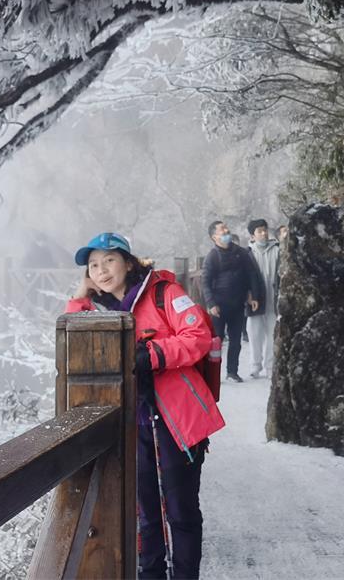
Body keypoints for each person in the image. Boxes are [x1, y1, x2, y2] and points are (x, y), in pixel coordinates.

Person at [66, 232, 225, 579]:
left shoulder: (163, 292)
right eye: (93, 265)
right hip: (132, 423)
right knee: (145, 513)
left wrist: (152, 354)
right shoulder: (99, 311)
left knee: (180, 511)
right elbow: (72, 340)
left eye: (109, 260)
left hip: (177, 420)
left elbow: (197, 336)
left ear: (128, 261)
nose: (102, 270)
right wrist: (79, 299)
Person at [202, 220, 263, 383]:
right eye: (222, 230)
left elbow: (251, 274)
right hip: (219, 306)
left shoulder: (241, 253)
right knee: (217, 342)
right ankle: (211, 374)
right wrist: (211, 303)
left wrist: (253, 295)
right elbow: (205, 282)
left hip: (238, 303)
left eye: (227, 228)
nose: (226, 232)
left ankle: (232, 371)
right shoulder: (212, 257)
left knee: (236, 340)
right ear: (214, 237)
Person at [246, 218, 280, 378]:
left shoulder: (277, 250)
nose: (263, 233)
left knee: (273, 334)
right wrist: (248, 296)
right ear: (252, 236)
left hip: (273, 299)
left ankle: (270, 367)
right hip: (255, 300)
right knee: (254, 334)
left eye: (265, 230)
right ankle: (255, 366)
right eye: (259, 231)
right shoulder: (247, 254)